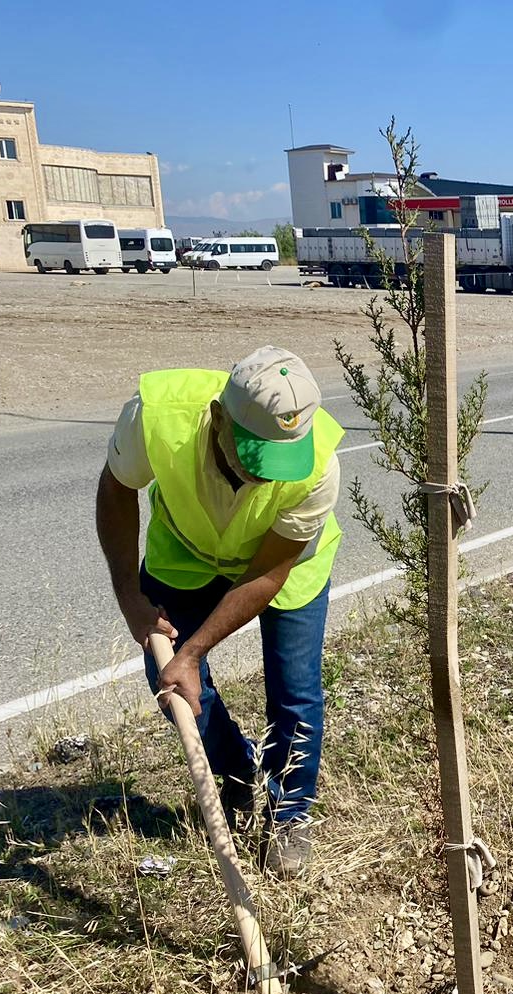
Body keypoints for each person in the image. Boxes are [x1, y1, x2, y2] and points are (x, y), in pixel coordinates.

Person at [96, 346, 344, 877]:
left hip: (285, 565)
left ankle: (289, 815)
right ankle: (236, 775)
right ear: (218, 419)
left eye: (281, 458)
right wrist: (130, 597)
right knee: (173, 682)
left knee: (295, 691)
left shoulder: (319, 462)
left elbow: (266, 576)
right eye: (255, 454)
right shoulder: (157, 417)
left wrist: (195, 647)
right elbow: (117, 490)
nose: (266, 476)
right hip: (185, 552)